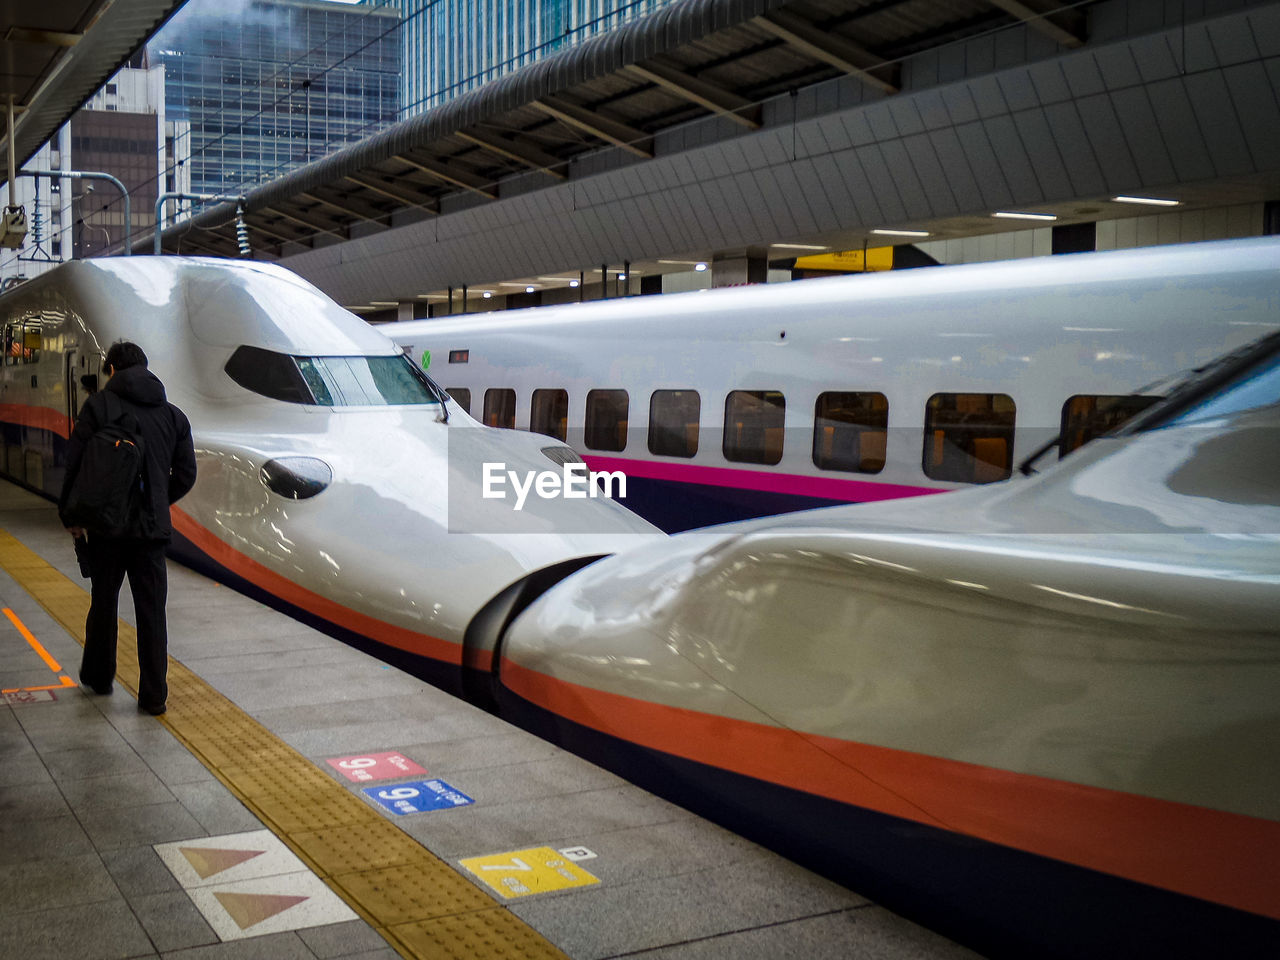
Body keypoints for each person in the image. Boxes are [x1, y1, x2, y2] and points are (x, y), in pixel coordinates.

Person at [58, 341, 197, 716]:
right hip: (151, 534)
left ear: (113, 370)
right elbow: (187, 473)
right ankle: (153, 697)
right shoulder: (173, 415)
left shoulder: (98, 407)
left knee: (103, 603)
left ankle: (100, 678)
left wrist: (71, 516)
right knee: (152, 613)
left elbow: (76, 463)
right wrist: (157, 501)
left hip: (106, 529)